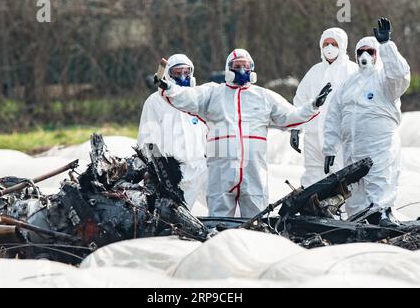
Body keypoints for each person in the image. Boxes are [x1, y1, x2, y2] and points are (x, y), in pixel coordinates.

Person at [156, 49, 332, 218]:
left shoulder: (264, 96)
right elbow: (188, 97)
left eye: (246, 66)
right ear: (228, 69)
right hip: (221, 170)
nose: (242, 70)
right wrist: (168, 87)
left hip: (253, 172)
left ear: (252, 69)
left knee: (255, 222)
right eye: (237, 65)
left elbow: (290, 116)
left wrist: (313, 105)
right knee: (219, 222)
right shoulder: (213, 93)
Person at [322, 18, 411, 226]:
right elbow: (334, 115)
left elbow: (400, 75)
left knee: (380, 178)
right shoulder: (348, 84)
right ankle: (358, 222)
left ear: (376, 55)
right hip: (352, 147)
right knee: (354, 188)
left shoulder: (385, 80)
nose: (364, 56)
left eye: (369, 51)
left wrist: (386, 45)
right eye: (360, 51)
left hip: (379, 145)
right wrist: (329, 148)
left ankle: (381, 215)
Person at [138, 54, 208, 210]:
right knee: (178, 218)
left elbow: (207, 134)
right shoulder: (155, 102)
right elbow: (146, 140)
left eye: (186, 72)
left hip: (201, 169)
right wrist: (153, 171)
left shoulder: (197, 99)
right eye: (177, 73)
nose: (183, 76)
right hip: (175, 174)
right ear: (168, 75)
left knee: (222, 208)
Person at [290, 28, 358, 187]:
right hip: (313, 137)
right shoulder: (314, 71)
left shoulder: (352, 71)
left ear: (342, 45)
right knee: (312, 177)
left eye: (334, 43)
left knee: (340, 177)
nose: (329, 47)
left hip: (341, 139)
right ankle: (311, 210)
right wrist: (295, 128)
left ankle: (340, 212)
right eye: (326, 43)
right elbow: (300, 101)